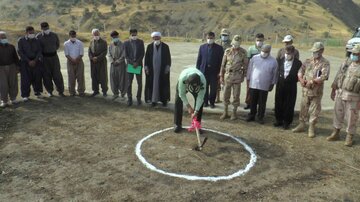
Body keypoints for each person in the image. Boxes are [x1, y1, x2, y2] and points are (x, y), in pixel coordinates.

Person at [292, 42, 330, 138]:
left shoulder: (325, 63)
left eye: (316, 51)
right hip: (306, 90)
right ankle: (301, 125)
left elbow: (324, 76)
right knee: (303, 107)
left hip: (316, 92)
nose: (314, 53)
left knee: (314, 110)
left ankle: (311, 127)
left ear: (321, 51)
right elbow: (300, 70)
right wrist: (301, 79)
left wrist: (312, 82)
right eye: (313, 51)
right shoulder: (308, 61)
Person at [327, 44, 360, 147]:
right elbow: (338, 76)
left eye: (356, 54)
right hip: (340, 93)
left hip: (353, 97)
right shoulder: (346, 63)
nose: (353, 55)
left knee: (351, 117)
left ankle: (349, 136)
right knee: (338, 113)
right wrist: (333, 89)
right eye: (353, 53)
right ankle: (336, 132)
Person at [246, 44, 278, 124]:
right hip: (253, 83)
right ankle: (251, 115)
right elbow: (250, 69)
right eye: (263, 51)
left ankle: (260, 117)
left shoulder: (273, 61)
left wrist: (272, 84)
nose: (264, 53)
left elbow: (275, 74)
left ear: (269, 51)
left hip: (265, 85)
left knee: (262, 102)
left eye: (266, 52)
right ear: (261, 50)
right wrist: (248, 79)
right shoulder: (255, 58)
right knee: (252, 101)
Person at [219, 35, 248, 120]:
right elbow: (222, 65)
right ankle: (225, 112)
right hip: (228, 76)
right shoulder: (227, 51)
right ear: (232, 43)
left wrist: (244, 76)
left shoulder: (243, 52)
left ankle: (234, 113)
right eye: (234, 44)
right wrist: (221, 75)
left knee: (236, 95)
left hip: (237, 76)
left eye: (237, 45)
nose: (235, 46)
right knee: (225, 95)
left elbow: (245, 66)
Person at [274, 45, 302, 129]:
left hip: (291, 86)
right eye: (286, 53)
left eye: (289, 53)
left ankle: (286, 122)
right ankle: (279, 120)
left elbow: (300, 75)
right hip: (280, 84)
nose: (287, 55)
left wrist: (292, 79)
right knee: (279, 102)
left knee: (289, 104)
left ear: (293, 53)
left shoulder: (298, 63)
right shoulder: (280, 61)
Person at [36, 22, 65, 97]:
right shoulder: (38, 37)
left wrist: (52, 50)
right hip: (44, 58)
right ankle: (50, 91)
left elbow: (57, 45)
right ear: (41, 28)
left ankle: (60, 91)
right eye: (44, 28)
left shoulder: (54, 35)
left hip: (54, 57)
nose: (46, 29)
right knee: (46, 76)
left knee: (57, 74)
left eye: (47, 28)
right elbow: (38, 48)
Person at [196, 31, 224, 108]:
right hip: (204, 71)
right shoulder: (202, 47)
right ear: (206, 38)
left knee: (213, 89)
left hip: (214, 72)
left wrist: (220, 72)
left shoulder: (219, 48)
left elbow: (221, 61)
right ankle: (205, 102)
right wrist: (197, 71)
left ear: (214, 38)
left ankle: (212, 102)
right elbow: (199, 60)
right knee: (204, 87)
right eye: (208, 38)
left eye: (211, 38)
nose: (209, 39)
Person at [174, 67, 206, 133]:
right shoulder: (182, 79)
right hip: (184, 79)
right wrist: (188, 106)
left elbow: (200, 98)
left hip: (198, 83)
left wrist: (196, 111)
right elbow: (182, 94)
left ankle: (197, 124)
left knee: (199, 104)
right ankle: (177, 124)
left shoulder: (203, 81)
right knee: (178, 100)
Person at [144, 32, 171, 107]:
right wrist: (146, 68)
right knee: (152, 85)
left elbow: (168, 58)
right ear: (153, 38)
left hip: (162, 70)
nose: (156, 39)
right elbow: (146, 59)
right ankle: (153, 100)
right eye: (155, 38)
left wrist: (167, 68)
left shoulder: (165, 47)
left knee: (163, 84)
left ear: (160, 38)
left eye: (158, 37)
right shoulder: (149, 47)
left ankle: (164, 100)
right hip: (152, 71)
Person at [18, 26, 43, 101]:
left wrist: (35, 60)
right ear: (26, 33)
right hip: (25, 62)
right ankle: (25, 95)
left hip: (36, 62)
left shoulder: (37, 40)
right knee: (25, 79)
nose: (32, 34)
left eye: (33, 32)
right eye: (30, 33)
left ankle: (37, 92)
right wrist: (28, 61)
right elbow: (20, 52)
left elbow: (39, 51)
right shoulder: (21, 40)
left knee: (37, 77)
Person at [123, 28, 145, 106]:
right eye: (133, 35)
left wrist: (137, 62)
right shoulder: (126, 43)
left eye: (135, 34)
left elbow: (142, 53)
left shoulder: (140, 42)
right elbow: (126, 55)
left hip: (138, 65)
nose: (134, 36)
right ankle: (129, 99)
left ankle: (138, 98)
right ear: (130, 34)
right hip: (130, 66)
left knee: (140, 83)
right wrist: (132, 63)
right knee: (129, 83)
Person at [244, 33, 265, 110]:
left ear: (263, 40)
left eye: (261, 40)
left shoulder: (265, 48)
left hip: (262, 72)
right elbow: (248, 60)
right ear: (255, 40)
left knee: (259, 89)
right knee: (249, 88)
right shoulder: (251, 48)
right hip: (252, 71)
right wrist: (247, 72)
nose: (259, 42)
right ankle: (248, 103)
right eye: (257, 40)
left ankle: (257, 104)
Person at [0, 31, 20, 107]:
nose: (4, 38)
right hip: (1, 69)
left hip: (12, 67)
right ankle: (4, 100)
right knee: (3, 85)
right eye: (2, 37)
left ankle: (13, 98)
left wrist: (18, 67)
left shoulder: (11, 47)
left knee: (13, 83)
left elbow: (16, 57)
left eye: (5, 37)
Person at [64, 30, 85, 97]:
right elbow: (66, 54)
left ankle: (81, 91)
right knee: (71, 77)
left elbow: (81, 53)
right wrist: (72, 60)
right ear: (69, 36)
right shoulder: (66, 44)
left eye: (74, 36)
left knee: (80, 77)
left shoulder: (80, 43)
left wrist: (77, 60)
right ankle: (72, 92)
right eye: (72, 36)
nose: (73, 37)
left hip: (79, 61)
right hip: (70, 62)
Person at [88, 28, 108, 97]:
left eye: (97, 34)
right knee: (94, 76)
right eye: (94, 34)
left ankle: (104, 91)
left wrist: (98, 58)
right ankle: (95, 91)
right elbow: (89, 52)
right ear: (92, 35)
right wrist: (92, 58)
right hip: (93, 62)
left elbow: (105, 52)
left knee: (103, 77)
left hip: (101, 62)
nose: (96, 35)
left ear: (99, 34)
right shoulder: (91, 42)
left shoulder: (104, 42)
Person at [108, 30, 127, 99]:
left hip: (121, 64)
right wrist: (112, 61)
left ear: (118, 36)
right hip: (113, 64)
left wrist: (118, 61)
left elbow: (124, 55)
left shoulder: (122, 44)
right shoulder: (110, 44)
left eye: (115, 36)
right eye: (113, 37)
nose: (114, 38)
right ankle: (115, 93)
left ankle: (123, 94)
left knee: (122, 79)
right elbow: (109, 54)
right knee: (113, 78)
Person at [215, 28, 232, 103]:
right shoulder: (217, 42)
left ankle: (226, 99)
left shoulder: (231, 44)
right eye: (223, 35)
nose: (224, 36)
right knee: (217, 82)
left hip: (227, 66)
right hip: (218, 65)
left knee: (227, 83)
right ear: (220, 35)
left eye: (226, 35)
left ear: (228, 36)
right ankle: (217, 98)